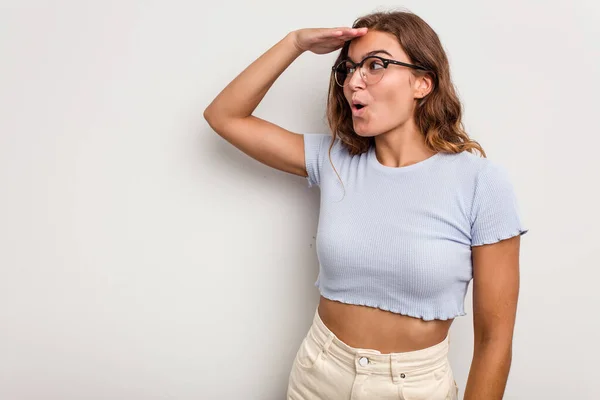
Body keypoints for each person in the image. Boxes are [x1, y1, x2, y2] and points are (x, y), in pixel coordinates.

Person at [204, 9, 528, 400]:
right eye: (349, 68)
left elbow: (495, 339)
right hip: (317, 375)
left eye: (375, 65)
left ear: (422, 83)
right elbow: (224, 116)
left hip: (415, 387)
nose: (354, 81)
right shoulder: (334, 160)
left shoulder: (480, 183)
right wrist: (295, 43)